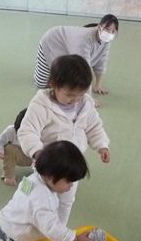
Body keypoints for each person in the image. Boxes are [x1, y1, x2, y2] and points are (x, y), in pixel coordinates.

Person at [18, 54, 110, 230]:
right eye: (70, 95)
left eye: (80, 95)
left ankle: (58, 229)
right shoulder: (41, 104)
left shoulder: (85, 104)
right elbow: (27, 130)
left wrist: (102, 145)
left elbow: (94, 126)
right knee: (35, 195)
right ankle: (25, 223)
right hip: (48, 165)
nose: (75, 100)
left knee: (66, 200)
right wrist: (38, 152)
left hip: (70, 165)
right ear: (53, 84)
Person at [0, 140, 98, 241]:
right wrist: (74, 239)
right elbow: (51, 227)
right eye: (69, 181)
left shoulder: (33, 179)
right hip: (18, 237)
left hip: (9, 222)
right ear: (50, 176)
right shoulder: (42, 200)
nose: (71, 186)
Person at [33, 14, 119, 94]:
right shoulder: (85, 39)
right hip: (52, 41)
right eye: (107, 29)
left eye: (113, 31)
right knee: (41, 84)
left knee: (67, 83)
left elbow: (102, 61)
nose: (109, 33)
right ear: (99, 27)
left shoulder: (106, 40)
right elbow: (84, 68)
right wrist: (88, 98)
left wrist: (98, 85)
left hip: (68, 49)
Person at [0, 108, 33, 186]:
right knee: (9, 149)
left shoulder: (45, 134)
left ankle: (42, 175)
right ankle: (9, 176)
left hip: (37, 157)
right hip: (20, 156)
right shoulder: (11, 130)